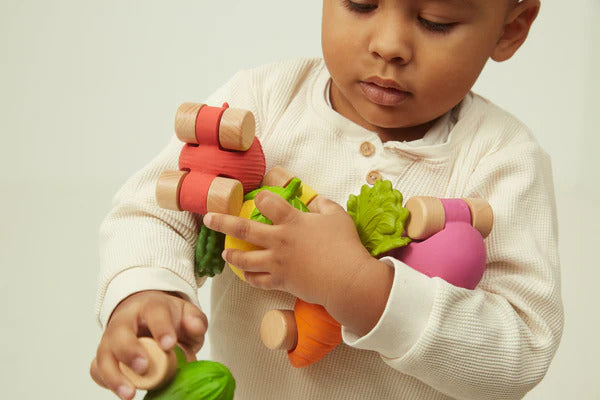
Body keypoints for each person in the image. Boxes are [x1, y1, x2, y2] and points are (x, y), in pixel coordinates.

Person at [91, 0, 564, 399]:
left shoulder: (503, 161)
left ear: (510, 27)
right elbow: (153, 209)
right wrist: (146, 289)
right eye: (360, 3)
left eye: (435, 19)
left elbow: (522, 347)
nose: (389, 45)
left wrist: (360, 287)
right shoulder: (263, 102)